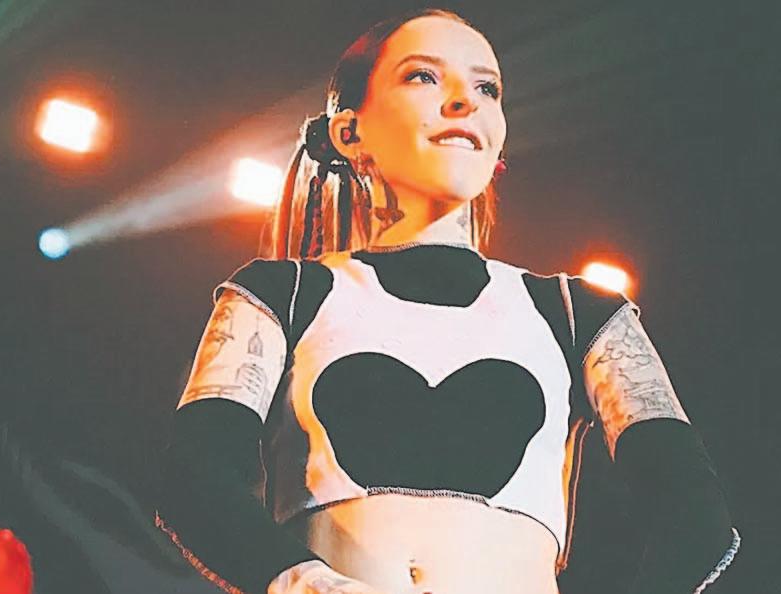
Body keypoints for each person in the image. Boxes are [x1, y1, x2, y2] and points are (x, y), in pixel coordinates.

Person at [156, 8, 740, 594]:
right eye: (423, 76)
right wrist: (311, 586)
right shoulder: (278, 295)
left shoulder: (581, 313)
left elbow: (695, 514)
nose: (464, 101)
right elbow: (195, 479)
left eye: (487, 88)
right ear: (349, 133)